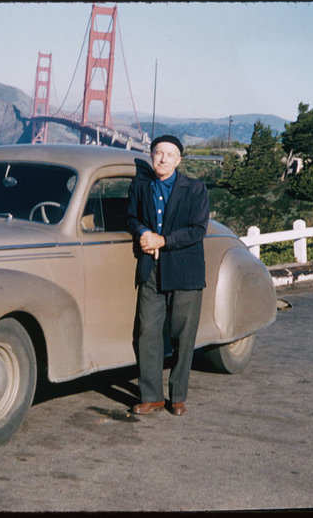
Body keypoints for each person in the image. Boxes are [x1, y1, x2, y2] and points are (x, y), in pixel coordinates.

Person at [126, 134, 209, 416]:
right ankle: (151, 396)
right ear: (151, 156)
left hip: (185, 271)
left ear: (179, 160)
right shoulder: (140, 186)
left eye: (169, 154)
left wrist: (163, 241)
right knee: (147, 332)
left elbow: (198, 230)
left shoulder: (195, 189)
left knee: (182, 336)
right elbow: (132, 217)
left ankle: (177, 396)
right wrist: (143, 232)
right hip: (151, 269)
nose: (162, 159)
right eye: (158, 153)